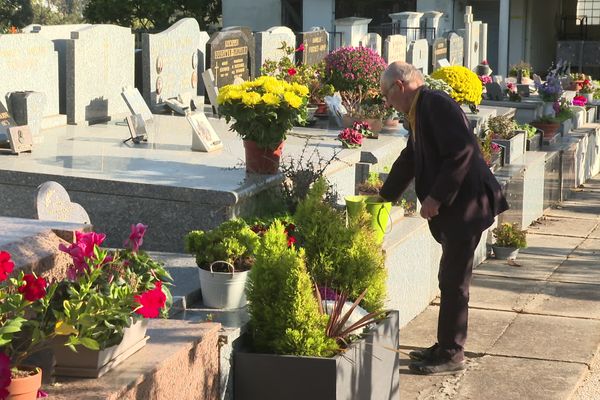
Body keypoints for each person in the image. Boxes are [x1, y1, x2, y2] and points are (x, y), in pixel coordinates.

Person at [379, 62, 509, 375]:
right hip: (459, 207)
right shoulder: (420, 110)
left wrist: (436, 198)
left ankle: (452, 353)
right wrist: (383, 199)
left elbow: (462, 152)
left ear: (399, 86)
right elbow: (411, 156)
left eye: (386, 94)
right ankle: (445, 344)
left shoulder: (435, 104)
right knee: (448, 279)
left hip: (467, 205)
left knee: (455, 282)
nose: (386, 102)